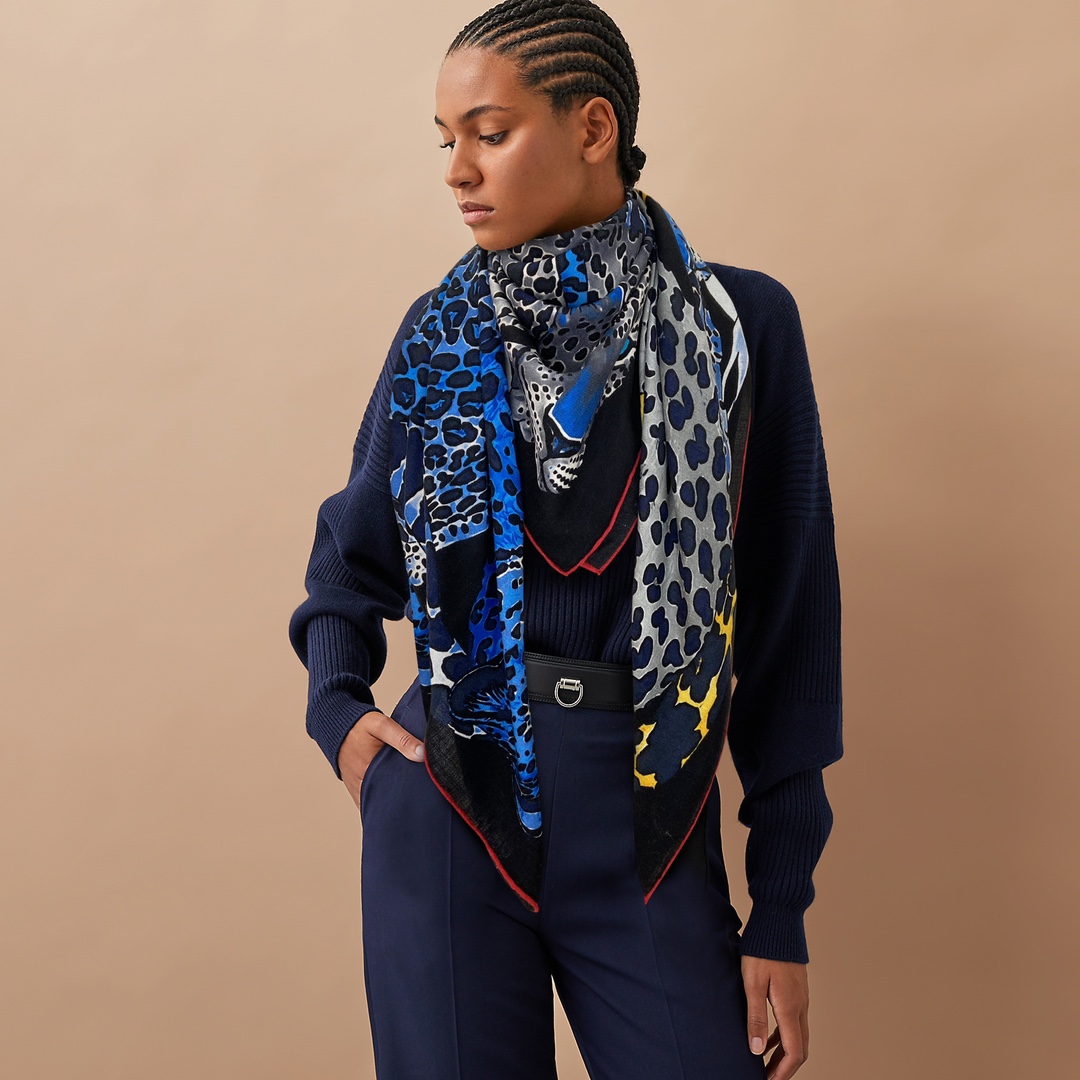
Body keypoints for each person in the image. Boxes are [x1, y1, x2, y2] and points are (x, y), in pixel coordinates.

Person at [288, 2, 844, 1077]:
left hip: (649, 805)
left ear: (594, 127)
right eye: (446, 141)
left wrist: (780, 907)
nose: (458, 171)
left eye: (490, 134)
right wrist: (340, 715)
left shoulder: (739, 330)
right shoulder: (439, 335)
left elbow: (789, 629)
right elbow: (347, 565)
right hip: (450, 796)